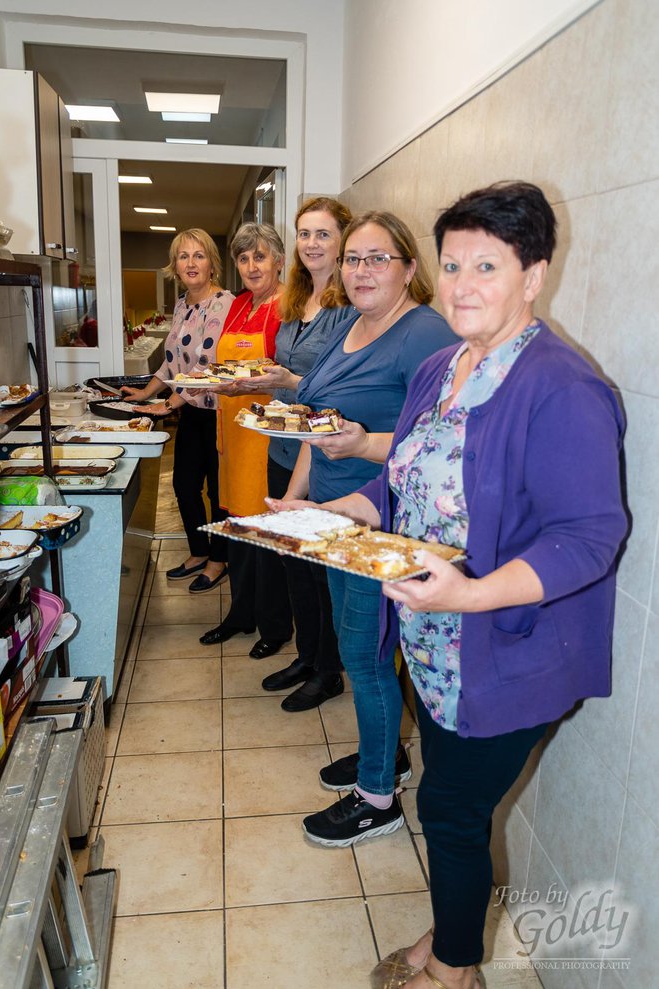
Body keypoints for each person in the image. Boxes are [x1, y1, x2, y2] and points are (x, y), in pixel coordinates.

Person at [274, 183, 627, 989]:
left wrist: (466, 593)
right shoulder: (440, 368)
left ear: (533, 275)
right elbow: (400, 482)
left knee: (452, 814)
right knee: (447, 805)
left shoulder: (563, 388)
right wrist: (332, 512)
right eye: (454, 263)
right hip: (435, 643)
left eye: (488, 266)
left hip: (508, 649)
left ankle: (454, 970)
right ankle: (449, 935)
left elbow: (590, 538)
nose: (464, 284)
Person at [268, 210, 457, 845]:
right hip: (330, 517)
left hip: (382, 521)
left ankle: (378, 798)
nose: (360, 270)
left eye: (378, 258)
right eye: (353, 258)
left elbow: (435, 446)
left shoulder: (424, 334)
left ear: (409, 268)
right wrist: (294, 500)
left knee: (365, 656)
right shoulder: (349, 322)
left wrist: (364, 446)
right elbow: (314, 422)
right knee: (361, 651)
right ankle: (388, 756)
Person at [236, 196, 354, 710]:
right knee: (293, 565)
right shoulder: (296, 298)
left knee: (321, 571)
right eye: (304, 233)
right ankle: (307, 656)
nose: (311, 244)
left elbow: (341, 389)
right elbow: (286, 369)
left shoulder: (350, 305)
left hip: (324, 455)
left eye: (322, 234)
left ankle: (328, 671)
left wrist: (289, 379)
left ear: (343, 241)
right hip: (282, 446)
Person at [200, 223, 293, 658]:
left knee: (264, 534)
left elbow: (289, 377)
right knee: (237, 528)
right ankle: (241, 614)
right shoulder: (238, 304)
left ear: (278, 259)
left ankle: (274, 626)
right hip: (232, 433)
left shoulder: (288, 306)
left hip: (264, 435)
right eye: (243, 258)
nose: (252, 266)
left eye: (260, 256)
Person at [123, 228, 234, 592]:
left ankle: (219, 560)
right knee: (184, 486)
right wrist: (144, 393)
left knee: (218, 494)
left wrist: (168, 404)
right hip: (191, 412)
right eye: (183, 256)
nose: (190, 263)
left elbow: (206, 365)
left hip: (218, 415)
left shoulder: (224, 304)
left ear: (211, 263)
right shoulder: (183, 305)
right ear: (175, 265)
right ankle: (198, 552)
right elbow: (172, 364)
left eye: (198, 255)